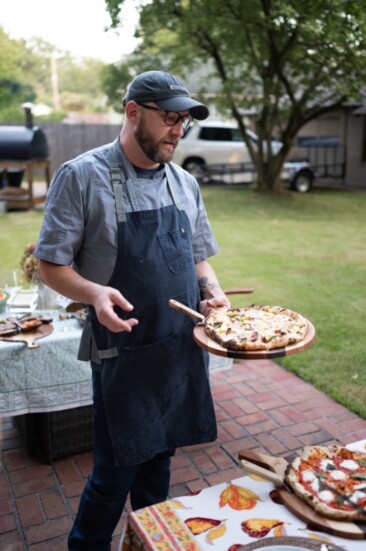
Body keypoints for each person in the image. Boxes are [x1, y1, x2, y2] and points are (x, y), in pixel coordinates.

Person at [35, 70, 230, 550]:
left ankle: (146, 543)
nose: (178, 131)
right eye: (169, 118)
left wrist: (212, 290)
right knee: (113, 478)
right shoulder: (81, 176)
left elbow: (197, 255)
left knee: (159, 467)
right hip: (121, 357)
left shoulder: (184, 183)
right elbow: (50, 264)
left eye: (183, 120)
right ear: (132, 111)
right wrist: (95, 294)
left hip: (177, 353)